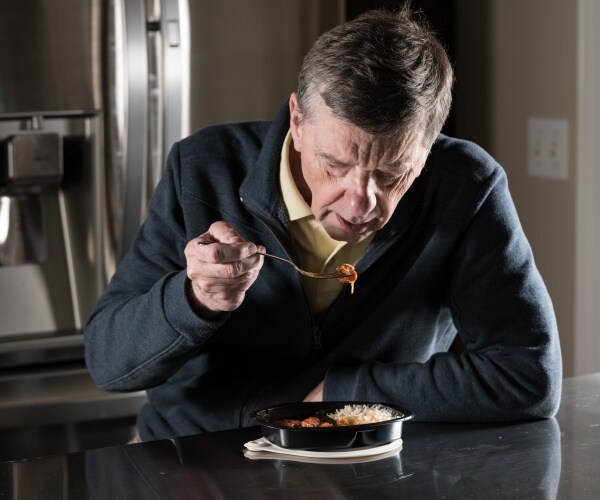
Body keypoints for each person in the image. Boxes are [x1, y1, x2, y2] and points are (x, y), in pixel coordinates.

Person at [84, 6, 562, 442]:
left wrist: (346, 390)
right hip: (196, 457)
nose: (360, 203)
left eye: (392, 175)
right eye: (334, 164)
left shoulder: (466, 186)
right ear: (297, 119)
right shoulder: (203, 167)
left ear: (429, 147)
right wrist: (194, 299)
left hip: (367, 457)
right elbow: (108, 366)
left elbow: (529, 378)